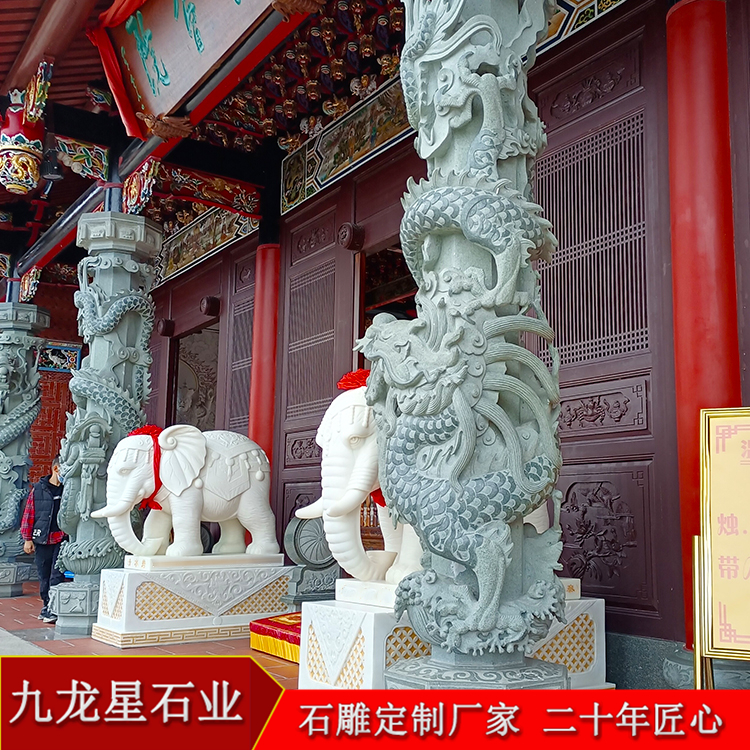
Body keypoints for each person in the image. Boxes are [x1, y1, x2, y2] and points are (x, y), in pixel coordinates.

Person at [20, 456, 66, 624]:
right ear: (56, 469)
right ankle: (46, 606)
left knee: (56, 575)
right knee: (44, 575)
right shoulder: (38, 489)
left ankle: (54, 608)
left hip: (61, 539)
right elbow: (29, 514)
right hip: (42, 539)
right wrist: (27, 539)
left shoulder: (67, 490)